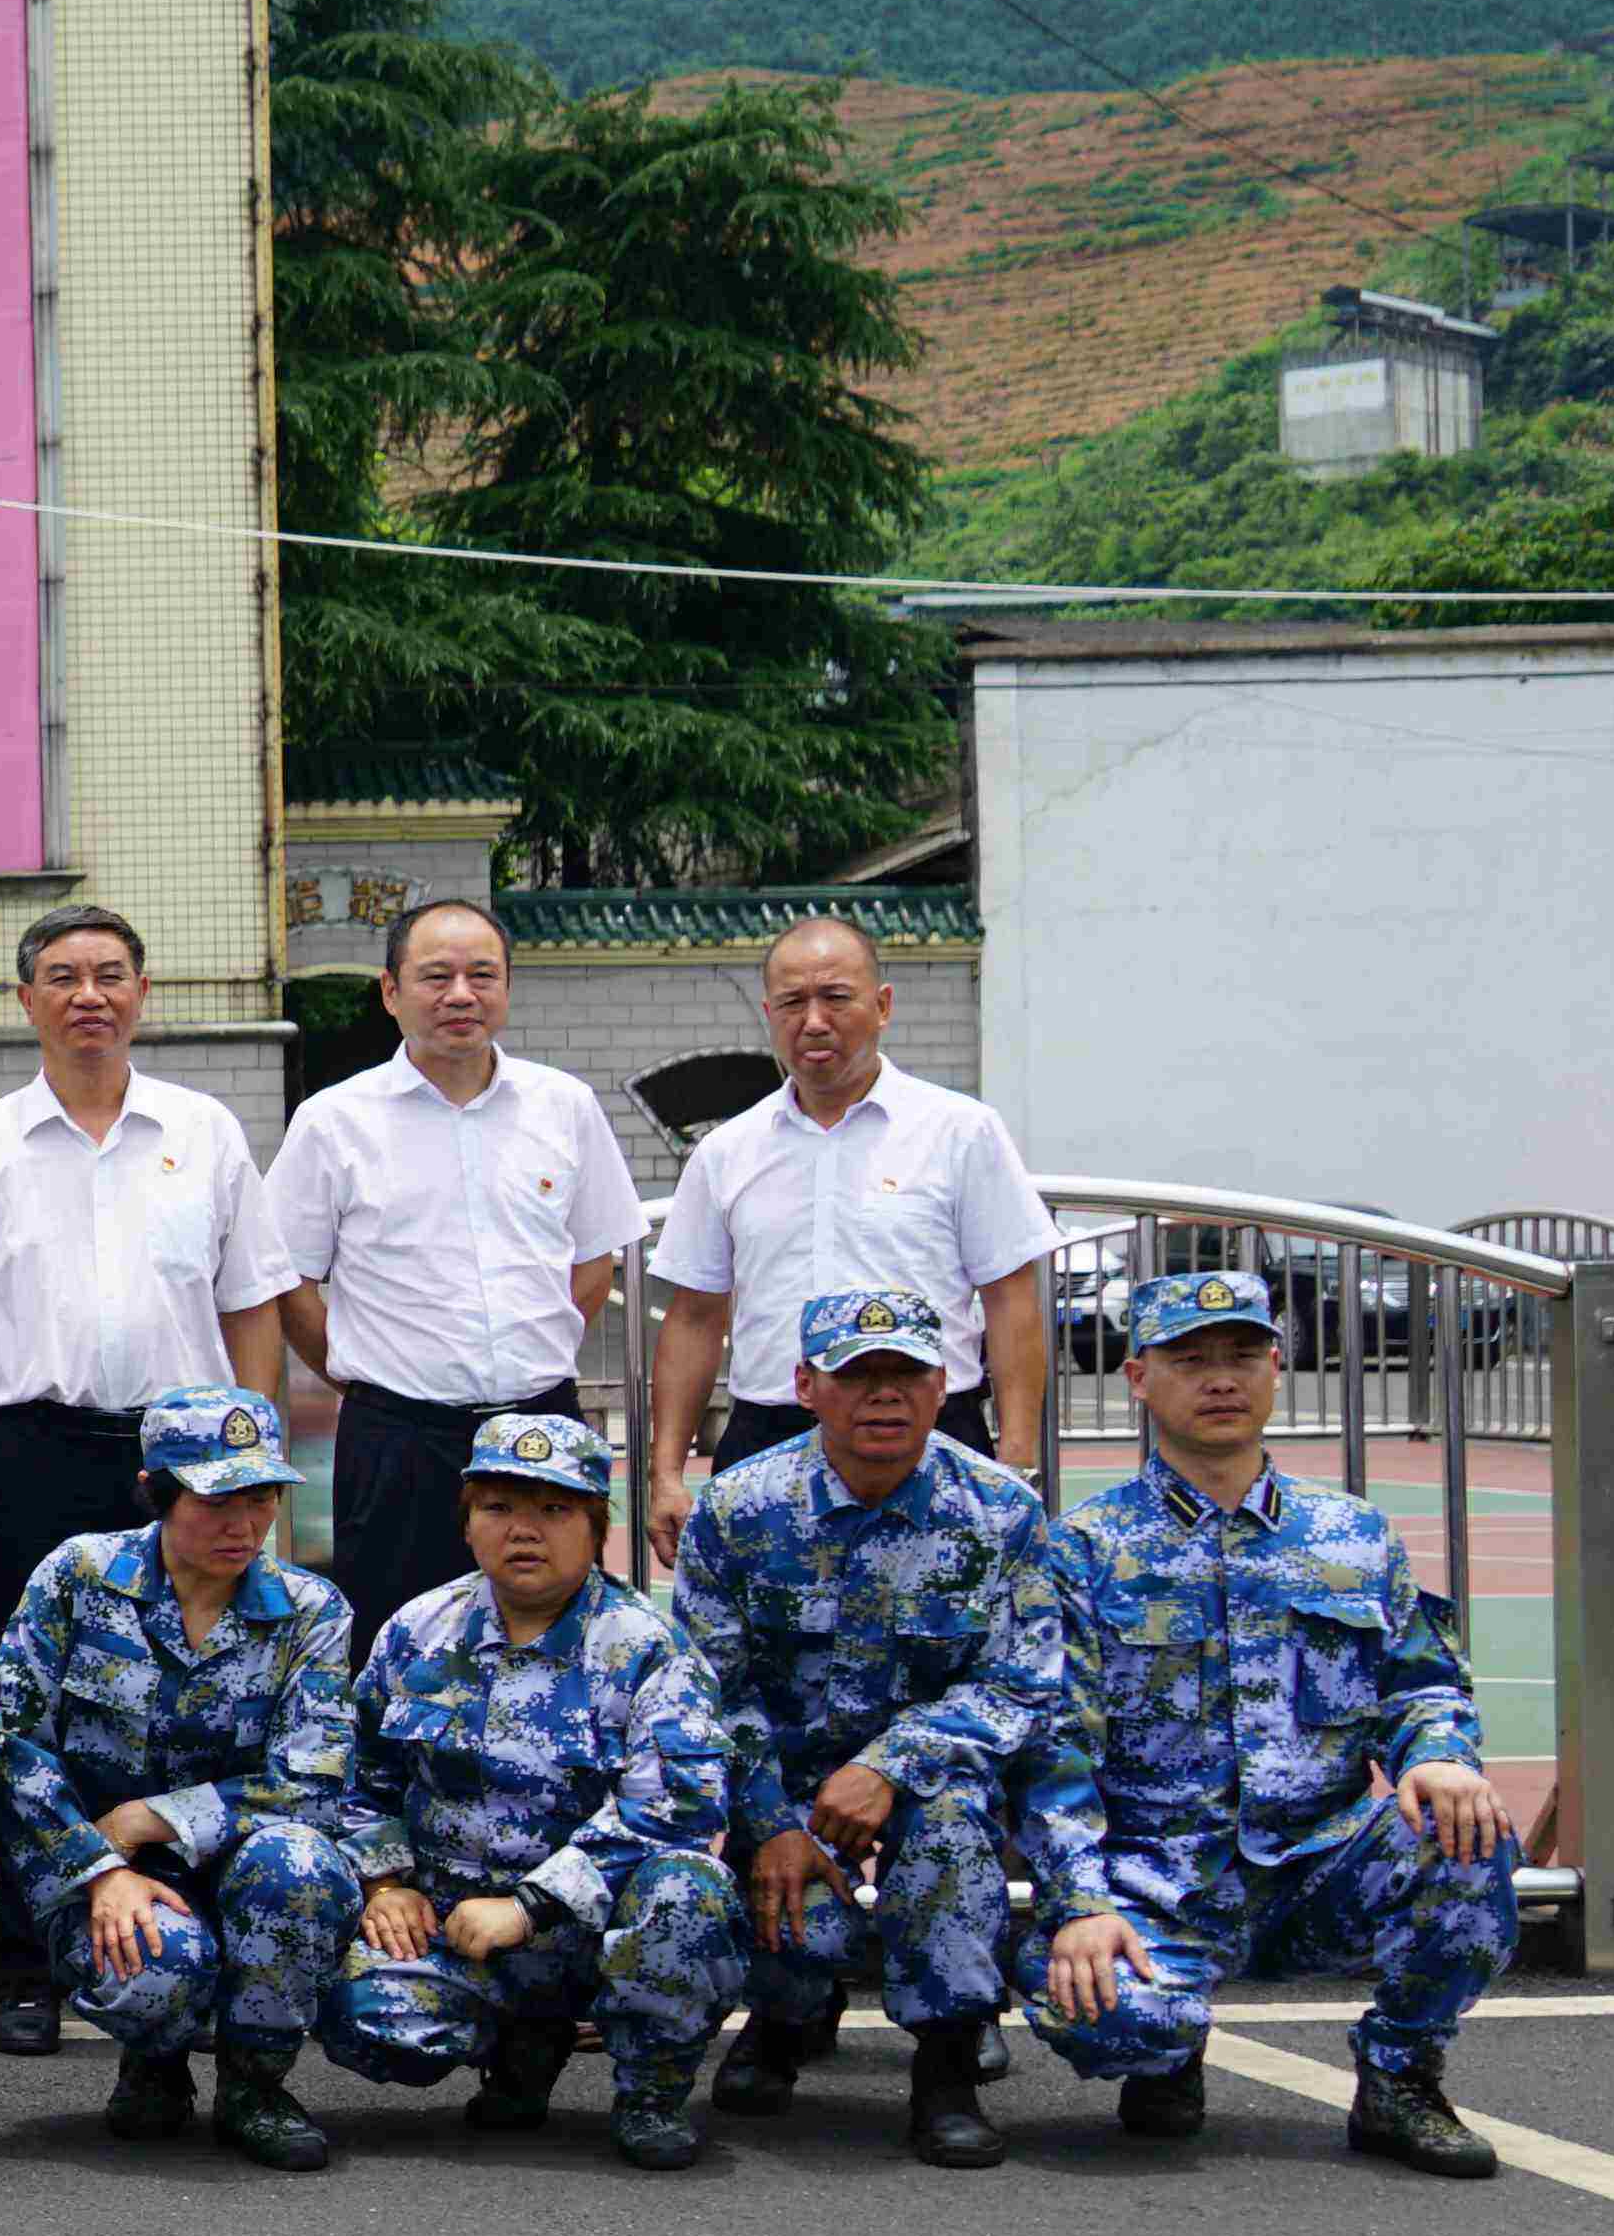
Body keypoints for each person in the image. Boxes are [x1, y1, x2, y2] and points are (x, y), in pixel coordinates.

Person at [0, 902, 292, 2055]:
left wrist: (251, 1458)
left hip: (190, 1460)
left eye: (110, 974)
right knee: (28, 1711)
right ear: (26, 1001)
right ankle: (29, 1952)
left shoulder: (202, 1132)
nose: (87, 996)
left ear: (142, 992)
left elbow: (248, 1301)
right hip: (32, 1450)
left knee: (190, 1698)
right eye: (61, 977)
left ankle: (174, 1920)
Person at [1024, 1270, 1509, 2177]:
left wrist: (1437, 1756)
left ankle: (1400, 2079)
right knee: (1121, 2021)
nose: (1220, 1379)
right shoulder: (1084, 1547)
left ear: (1276, 1369)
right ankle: (1168, 2053)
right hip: (1157, 1876)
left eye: (1241, 1357)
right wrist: (1080, 1902)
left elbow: (1421, 1686)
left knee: (1470, 1834)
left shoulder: (1351, 1537)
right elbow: (1055, 1749)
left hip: (1315, 1865)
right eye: (1189, 1360)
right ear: (1137, 1379)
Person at [665, 1287, 1095, 2169]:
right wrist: (770, 1823)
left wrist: (892, 1765)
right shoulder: (738, 1510)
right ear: (804, 1387)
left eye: (905, 1375)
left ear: (943, 1386)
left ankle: (946, 2066)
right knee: (785, 1893)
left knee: (949, 1834)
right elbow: (710, 1690)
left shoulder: (1000, 1512)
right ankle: (784, 2019)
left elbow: (1021, 1683)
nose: (883, 1397)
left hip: (931, 1771)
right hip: (780, 1777)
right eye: (856, 1377)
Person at [321, 1410, 740, 2173]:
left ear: (594, 1526)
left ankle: (650, 2092)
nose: (524, 1531)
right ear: (468, 1524)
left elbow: (678, 1809)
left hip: (592, 1929)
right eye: (499, 1508)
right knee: (367, 2019)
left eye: (553, 1510)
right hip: (458, 1928)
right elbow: (358, 1777)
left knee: (690, 1891)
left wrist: (531, 1906)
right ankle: (519, 2046)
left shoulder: (647, 1647)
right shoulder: (416, 1631)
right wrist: (384, 1881)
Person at [0, 1385, 359, 2173]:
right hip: (94, 1869)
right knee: (151, 1975)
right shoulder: (78, 1577)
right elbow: (14, 1747)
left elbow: (313, 1778)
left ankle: (255, 2086)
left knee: (301, 1866)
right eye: (215, 1499)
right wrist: (100, 1867)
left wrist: (152, 1818)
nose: (243, 1525)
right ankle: (152, 2059)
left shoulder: (308, 1610)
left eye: (260, 1498)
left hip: (237, 1865)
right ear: (158, 1493)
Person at [637, 916, 1057, 1569]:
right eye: (792, 1002)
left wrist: (1016, 1461)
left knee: (943, 1647)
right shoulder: (726, 1152)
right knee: (762, 1657)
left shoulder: (959, 1132)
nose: (813, 1021)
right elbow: (693, 1317)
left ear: (881, 1005)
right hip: (770, 1438)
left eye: (835, 997)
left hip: (928, 1435)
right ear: (768, 1012)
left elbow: (1009, 1299)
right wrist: (666, 1472)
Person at [268, 900, 640, 1635]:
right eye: (435, 976)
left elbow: (592, 1260)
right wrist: (356, 1371)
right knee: (393, 1638)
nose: (459, 994)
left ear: (505, 986)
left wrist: (533, 1345)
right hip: (398, 1438)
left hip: (539, 1423)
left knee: (558, 1637)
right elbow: (288, 1281)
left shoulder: (563, 1106)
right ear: (389, 991)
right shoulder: (333, 1120)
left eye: (481, 975)